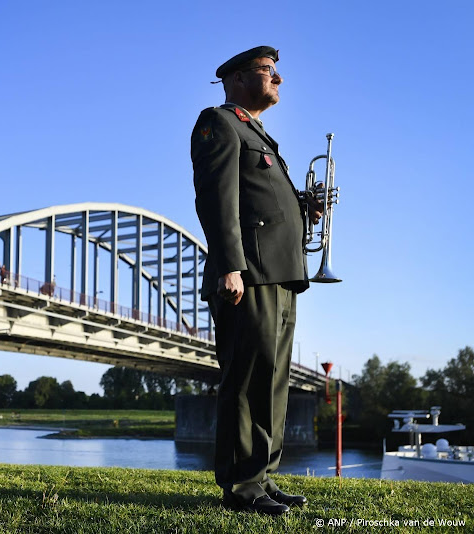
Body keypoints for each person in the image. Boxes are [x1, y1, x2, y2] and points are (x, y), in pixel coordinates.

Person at [191, 46, 322, 515]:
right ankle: (242, 487)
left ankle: (263, 477)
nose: (278, 79)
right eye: (269, 71)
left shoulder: (258, 132)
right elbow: (216, 198)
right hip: (248, 274)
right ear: (238, 78)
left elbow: (262, 202)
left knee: (273, 383)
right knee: (246, 382)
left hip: (281, 275)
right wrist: (230, 265)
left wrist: (305, 210)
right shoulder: (219, 122)